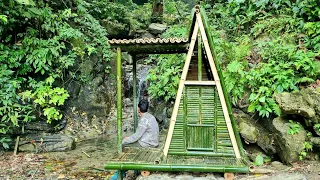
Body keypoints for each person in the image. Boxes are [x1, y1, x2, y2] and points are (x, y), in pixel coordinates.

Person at [110, 100, 159, 180]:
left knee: (123, 144)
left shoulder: (143, 120)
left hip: (147, 144)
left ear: (138, 109)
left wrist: (126, 139)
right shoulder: (151, 116)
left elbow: (136, 136)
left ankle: (120, 172)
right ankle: (125, 170)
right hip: (154, 142)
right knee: (129, 142)